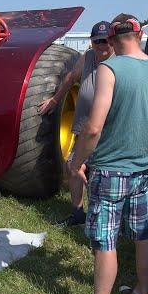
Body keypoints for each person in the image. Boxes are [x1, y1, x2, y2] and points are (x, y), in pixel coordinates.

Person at [55, 14, 148, 294]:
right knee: (141, 233)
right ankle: (141, 293)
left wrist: (76, 162)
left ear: (111, 39)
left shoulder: (111, 69)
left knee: (105, 241)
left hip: (111, 170)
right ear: (139, 35)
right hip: (145, 169)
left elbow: (94, 127)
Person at [39, 21, 114, 227]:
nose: (102, 45)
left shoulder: (119, 63)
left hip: (107, 131)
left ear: (113, 41)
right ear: (92, 41)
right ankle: (78, 212)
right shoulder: (88, 57)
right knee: (73, 167)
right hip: (83, 128)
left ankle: (104, 218)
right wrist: (55, 100)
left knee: (103, 173)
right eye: (98, 41)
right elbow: (71, 77)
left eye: (106, 41)